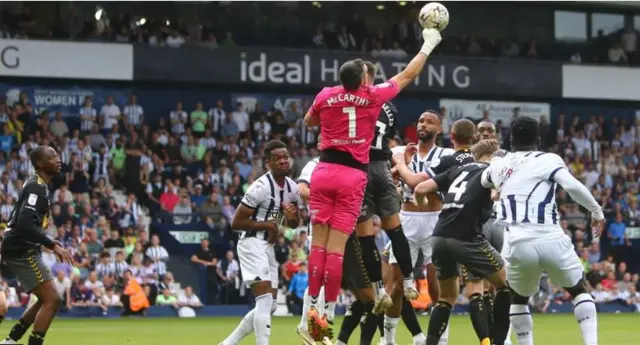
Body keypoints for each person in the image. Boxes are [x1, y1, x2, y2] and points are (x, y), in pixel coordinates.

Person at [303, 28, 443, 340]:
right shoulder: (372, 96)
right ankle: (329, 313)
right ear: (364, 80)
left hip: (324, 170)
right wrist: (429, 45)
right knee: (338, 251)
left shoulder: (326, 94)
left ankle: (313, 313)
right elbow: (407, 75)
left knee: (319, 247)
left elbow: (308, 122)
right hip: (355, 174)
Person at [481, 116, 604, 345]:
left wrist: (494, 164)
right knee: (579, 289)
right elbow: (572, 185)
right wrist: (596, 211)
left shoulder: (499, 165)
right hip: (550, 236)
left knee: (518, 299)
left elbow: (483, 180)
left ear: (510, 139)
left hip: (516, 243)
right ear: (538, 139)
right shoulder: (549, 159)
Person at [380, 117, 476, 345]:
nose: (423, 124)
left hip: (436, 219)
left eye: (430, 122)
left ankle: (441, 339)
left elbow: (420, 183)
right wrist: (396, 171)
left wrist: (402, 167)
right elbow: (386, 177)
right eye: (421, 121)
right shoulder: (400, 150)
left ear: (440, 129)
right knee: (395, 286)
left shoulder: (446, 155)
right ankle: (388, 340)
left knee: (437, 285)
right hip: (407, 219)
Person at [413, 139, 511, 345]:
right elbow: (495, 195)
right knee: (505, 286)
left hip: (439, 237)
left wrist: (422, 205)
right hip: (467, 237)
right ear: (494, 155)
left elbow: (420, 189)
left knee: (446, 298)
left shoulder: (457, 170)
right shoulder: (492, 169)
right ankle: (498, 342)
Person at [218, 140, 301, 345]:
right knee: (264, 300)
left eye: (285, 157)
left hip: (268, 247)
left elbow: (294, 223)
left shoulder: (292, 187)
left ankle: (228, 343)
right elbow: (236, 222)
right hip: (251, 243)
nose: (283, 161)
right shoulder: (260, 187)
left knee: (271, 305)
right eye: (277, 158)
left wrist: (291, 217)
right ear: (268, 163)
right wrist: (266, 226)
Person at [353, 61, 417, 317]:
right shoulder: (389, 106)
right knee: (395, 230)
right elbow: (388, 136)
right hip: (382, 167)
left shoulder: (353, 99)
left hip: (360, 169)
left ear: (364, 76)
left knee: (366, 237)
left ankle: (379, 290)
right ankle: (410, 281)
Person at [1, 146, 73, 345]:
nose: (58, 159)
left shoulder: (39, 185)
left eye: (58, 155)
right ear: (41, 163)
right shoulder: (36, 186)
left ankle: (11, 341)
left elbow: (28, 222)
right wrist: (52, 245)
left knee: (46, 298)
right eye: (52, 157)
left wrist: (49, 242)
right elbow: (25, 222)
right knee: (54, 299)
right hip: (21, 249)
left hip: (22, 247)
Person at [473, 120, 514, 345]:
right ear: (475, 136)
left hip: (502, 222)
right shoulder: (471, 160)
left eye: (490, 131)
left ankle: (503, 337)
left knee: (501, 284)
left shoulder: (508, 158)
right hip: (478, 223)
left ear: (497, 135)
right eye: (481, 131)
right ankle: (489, 337)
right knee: (481, 287)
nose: (486, 134)